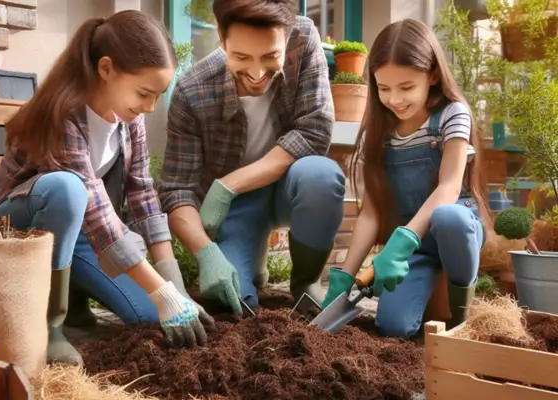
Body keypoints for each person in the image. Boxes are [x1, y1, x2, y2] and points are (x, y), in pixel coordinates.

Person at [0, 11, 215, 366]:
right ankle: (48, 325)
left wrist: (173, 287)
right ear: (106, 69)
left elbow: (142, 195)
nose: (149, 107)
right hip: (18, 226)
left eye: (158, 95)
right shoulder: (64, 114)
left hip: (80, 231)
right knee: (69, 189)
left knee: (150, 318)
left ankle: (76, 301)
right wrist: (161, 292)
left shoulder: (129, 121)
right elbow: (96, 210)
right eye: (144, 93)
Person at [158, 0, 346, 315]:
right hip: (238, 206)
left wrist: (227, 185)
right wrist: (206, 253)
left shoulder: (304, 38)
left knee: (321, 177)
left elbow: (315, 130)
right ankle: (250, 255)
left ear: (287, 38)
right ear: (221, 38)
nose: (257, 73)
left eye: (271, 56)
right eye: (241, 57)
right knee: (233, 301)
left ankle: (306, 283)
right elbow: (176, 190)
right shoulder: (192, 91)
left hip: (291, 185)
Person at [323, 19, 492, 338]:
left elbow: (449, 187)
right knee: (393, 326)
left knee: (449, 216)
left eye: (406, 87)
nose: (395, 99)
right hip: (416, 249)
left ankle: (460, 318)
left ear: (432, 75)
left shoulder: (452, 114)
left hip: (454, 229)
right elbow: (371, 213)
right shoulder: (381, 131)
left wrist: (402, 240)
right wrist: (345, 276)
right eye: (384, 88)